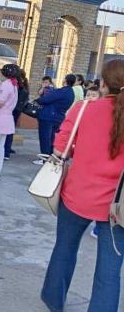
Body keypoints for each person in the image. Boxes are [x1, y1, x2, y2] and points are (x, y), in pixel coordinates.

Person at [41, 59, 124, 312]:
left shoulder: (83, 109)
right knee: (110, 270)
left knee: (64, 250)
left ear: (103, 83)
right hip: (117, 206)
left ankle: (53, 300)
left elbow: (59, 149)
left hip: (76, 195)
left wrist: (84, 149)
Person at [33, 74, 76, 165]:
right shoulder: (71, 93)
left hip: (48, 116)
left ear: (65, 80)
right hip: (59, 117)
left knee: (45, 137)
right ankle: (52, 156)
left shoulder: (62, 91)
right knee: (52, 138)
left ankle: (45, 157)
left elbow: (46, 99)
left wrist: (38, 99)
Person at [4, 69, 29, 159]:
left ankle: (6, 151)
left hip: (11, 110)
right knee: (10, 130)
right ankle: (7, 149)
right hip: (17, 110)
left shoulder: (16, 86)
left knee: (6, 131)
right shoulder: (24, 86)